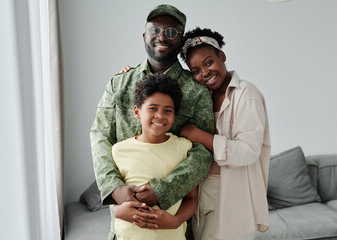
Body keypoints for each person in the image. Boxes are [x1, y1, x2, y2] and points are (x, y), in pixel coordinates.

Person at [90, 5, 215, 240]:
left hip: (172, 224)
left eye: (171, 32)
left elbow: (204, 151)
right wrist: (116, 189)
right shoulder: (119, 84)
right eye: (155, 29)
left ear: (181, 40)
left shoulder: (197, 91)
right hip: (125, 223)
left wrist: (162, 190)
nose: (162, 36)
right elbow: (100, 135)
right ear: (145, 35)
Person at [179, 28, 271, 240]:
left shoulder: (246, 93)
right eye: (195, 71)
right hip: (202, 191)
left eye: (209, 62)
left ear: (222, 56)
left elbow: (248, 151)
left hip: (233, 192)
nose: (204, 73)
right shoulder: (201, 97)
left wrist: (198, 135)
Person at [111, 74, 198, 240]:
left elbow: (192, 198)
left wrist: (176, 221)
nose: (160, 115)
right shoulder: (119, 150)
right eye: (153, 108)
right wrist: (116, 210)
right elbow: (114, 194)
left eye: (168, 110)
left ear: (174, 116)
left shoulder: (183, 147)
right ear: (137, 112)